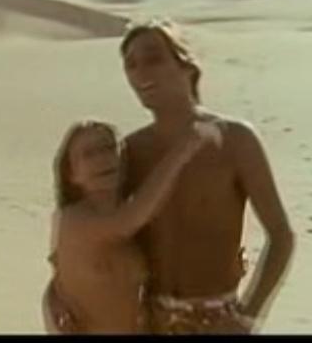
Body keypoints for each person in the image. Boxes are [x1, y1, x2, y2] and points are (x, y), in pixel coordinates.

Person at [118, 16, 296, 334]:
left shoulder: (234, 139)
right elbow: (96, 233)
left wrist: (248, 316)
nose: (140, 72)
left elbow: (281, 235)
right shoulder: (130, 150)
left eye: (153, 58)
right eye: (130, 64)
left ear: (186, 65)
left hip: (217, 320)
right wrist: (60, 298)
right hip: (146, 321)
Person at [41, 118, 219, 334]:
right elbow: (128, 220)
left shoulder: (132, 224)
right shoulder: (74, 219)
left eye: (109, 147)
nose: (102, 158)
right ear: (72, 174)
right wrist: (182, 151)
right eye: (89, 154)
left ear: (123, 158)